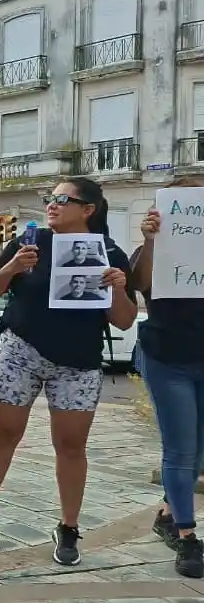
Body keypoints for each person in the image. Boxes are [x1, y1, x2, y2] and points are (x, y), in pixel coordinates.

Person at [0, 177, 137, 566]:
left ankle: (68, 527)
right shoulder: (29, 243)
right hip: (20, 351)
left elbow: (125, 321)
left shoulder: (109, 252)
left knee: (71, 446)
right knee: (4, 434)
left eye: (64, 199)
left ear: (88, 210)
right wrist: (13, 266)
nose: (53, 205)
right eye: (51, 198)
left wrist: (117, 287)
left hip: (78, 361)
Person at [131, 176, 204, 578]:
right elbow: (141, 283)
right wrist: (152, 240)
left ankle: (166, 512)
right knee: (180, 450)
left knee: (200, 451)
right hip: (168, 358)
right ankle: (187, 536)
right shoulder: (150, 250)